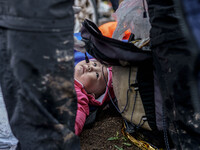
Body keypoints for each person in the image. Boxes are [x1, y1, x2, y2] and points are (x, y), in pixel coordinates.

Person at [74, 59, 115, 135]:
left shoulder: (78, 94)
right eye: (95, 64)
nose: (91, 67)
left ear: (92, 95)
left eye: (97, 75)